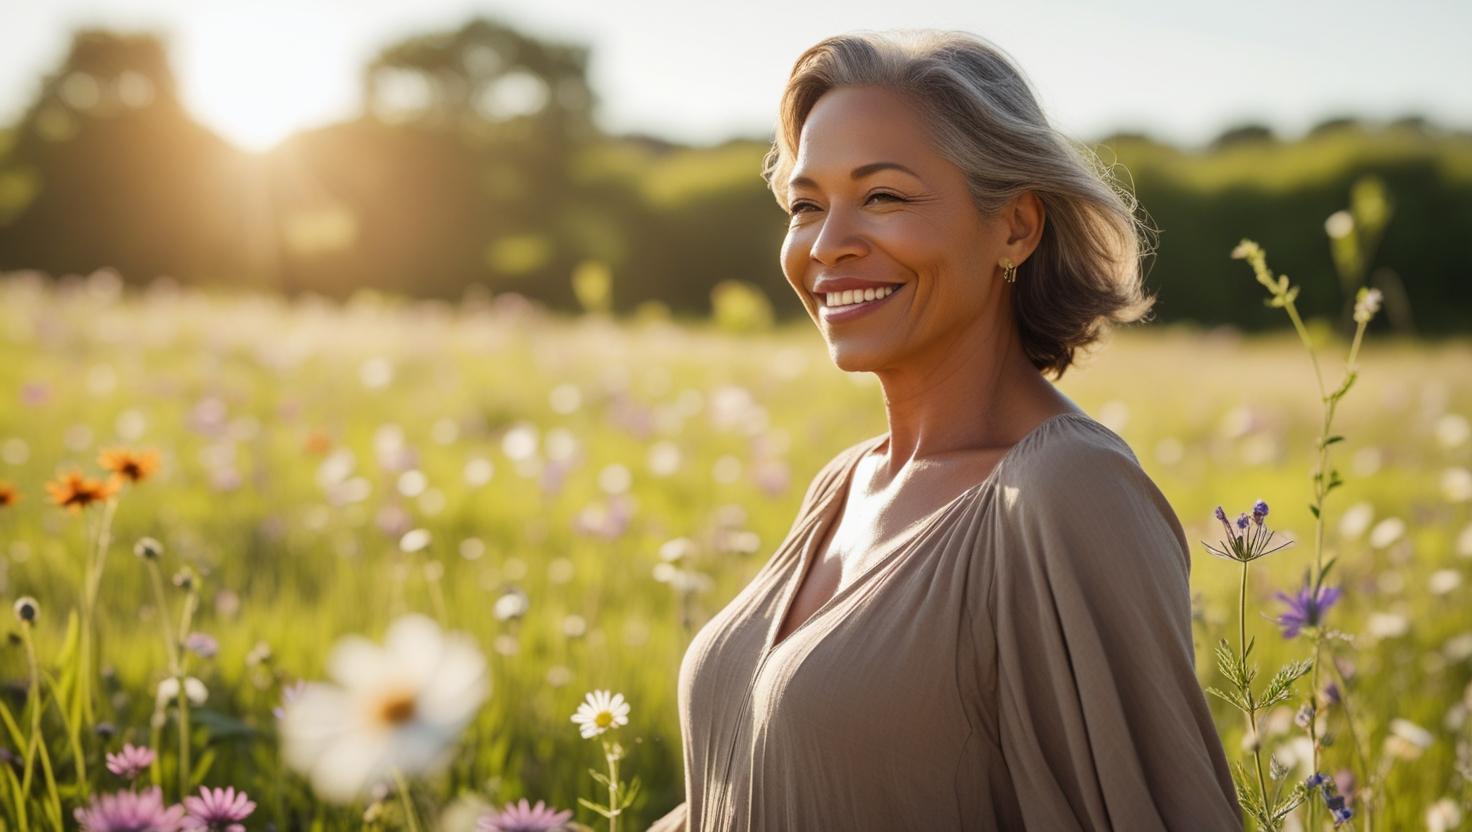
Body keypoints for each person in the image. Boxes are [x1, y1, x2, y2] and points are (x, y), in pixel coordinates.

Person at [649, 29, 1240, 831]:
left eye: (884, 196)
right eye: (806, 204)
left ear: (1016, 228)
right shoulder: (847, 483)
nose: (828, 244)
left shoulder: (1066, 491)